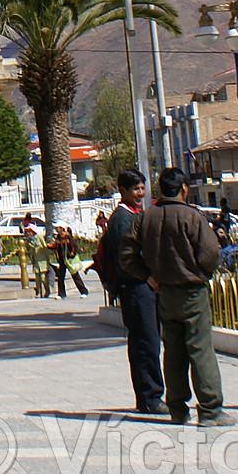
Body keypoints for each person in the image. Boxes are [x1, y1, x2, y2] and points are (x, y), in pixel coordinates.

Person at [120, 167, 232, 428]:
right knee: (200, 349)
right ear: (184, 189)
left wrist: (148, 275)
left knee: (173, 352)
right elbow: (210, 253)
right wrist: (200, 272)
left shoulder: (146, 218)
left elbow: (126, 254)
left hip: (164, 292)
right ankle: (210, 409)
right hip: (191, 291)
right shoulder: (192, 217)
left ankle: (177, 408)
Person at [95, 168, 164, 416]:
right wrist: (147, 276)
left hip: (141, 287)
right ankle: (151, 396)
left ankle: (148, 395)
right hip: (135, 288)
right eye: (135, 189)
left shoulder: (134, 214)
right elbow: (127, 259)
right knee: (146, 342)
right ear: (122, 190)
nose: (140, 193)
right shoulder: (123, 219)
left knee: (146, 341)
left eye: (142, 188)